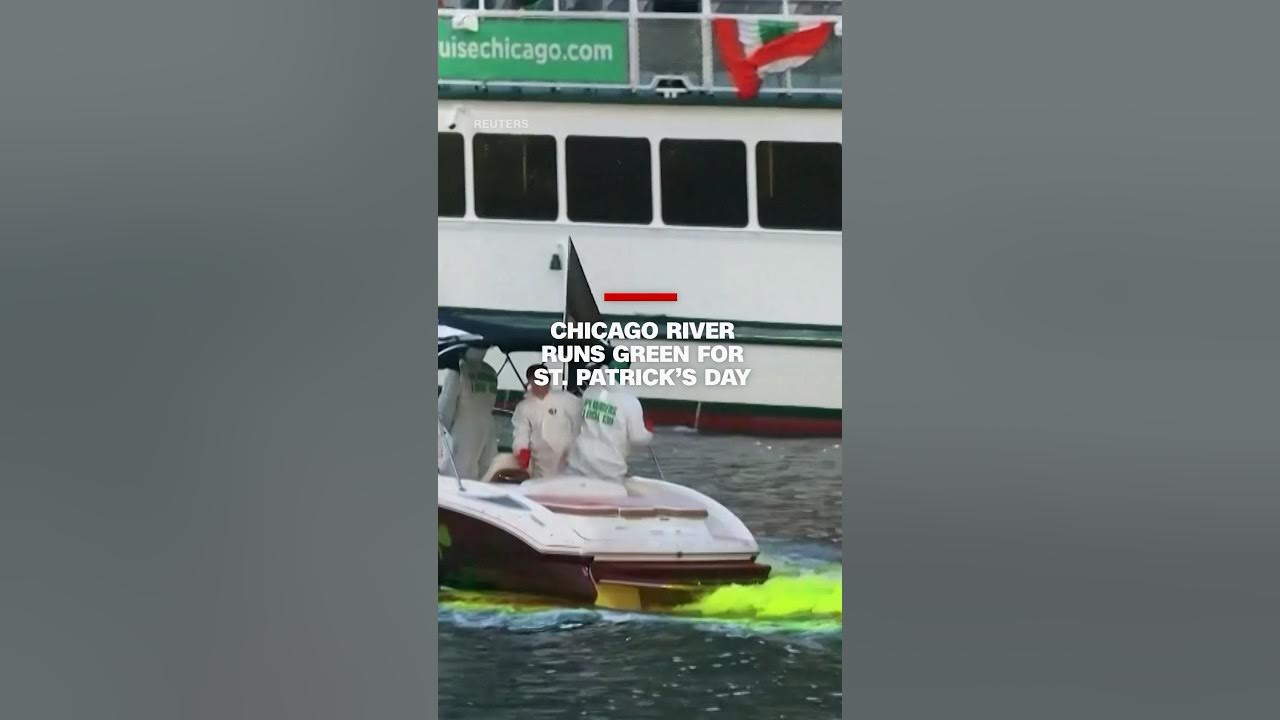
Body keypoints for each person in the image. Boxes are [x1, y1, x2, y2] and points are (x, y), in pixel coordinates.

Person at [565, 359, 654, 481]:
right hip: (610, 469)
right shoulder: (630, 402)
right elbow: (637, 438)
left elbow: (578, 423)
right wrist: (648, 432)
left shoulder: (590, 393)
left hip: (579, 462)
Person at [511, 364, 581, 478]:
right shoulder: (524, 407)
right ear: (530, 382)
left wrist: (573, 449)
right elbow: (521, 432)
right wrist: (522, 451)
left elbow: (579, 424)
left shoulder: (566, 399)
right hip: (540, 465)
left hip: (567, 463)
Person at [438, 346, 498, 479]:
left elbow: (444, 411)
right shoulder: (491, 373)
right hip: (486, 431)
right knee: (478, 477)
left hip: (461, 434)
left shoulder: (457, 371)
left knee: (453, 480)